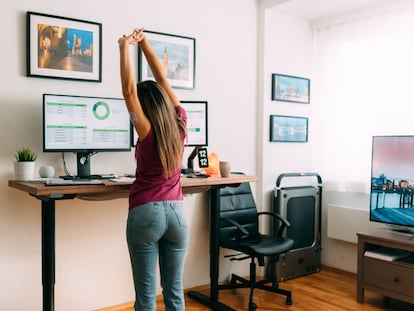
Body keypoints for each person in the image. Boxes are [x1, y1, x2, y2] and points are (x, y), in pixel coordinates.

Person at [118, 28, 189, 311]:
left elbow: (128, 90)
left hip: (146, 213)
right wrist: (145, 43)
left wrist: (125, 45)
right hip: (178, 215)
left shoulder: (145, 131)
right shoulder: (181, 123)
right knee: (174, 293)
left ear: (145, 109)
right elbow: (161, 79)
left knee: (146, 298)